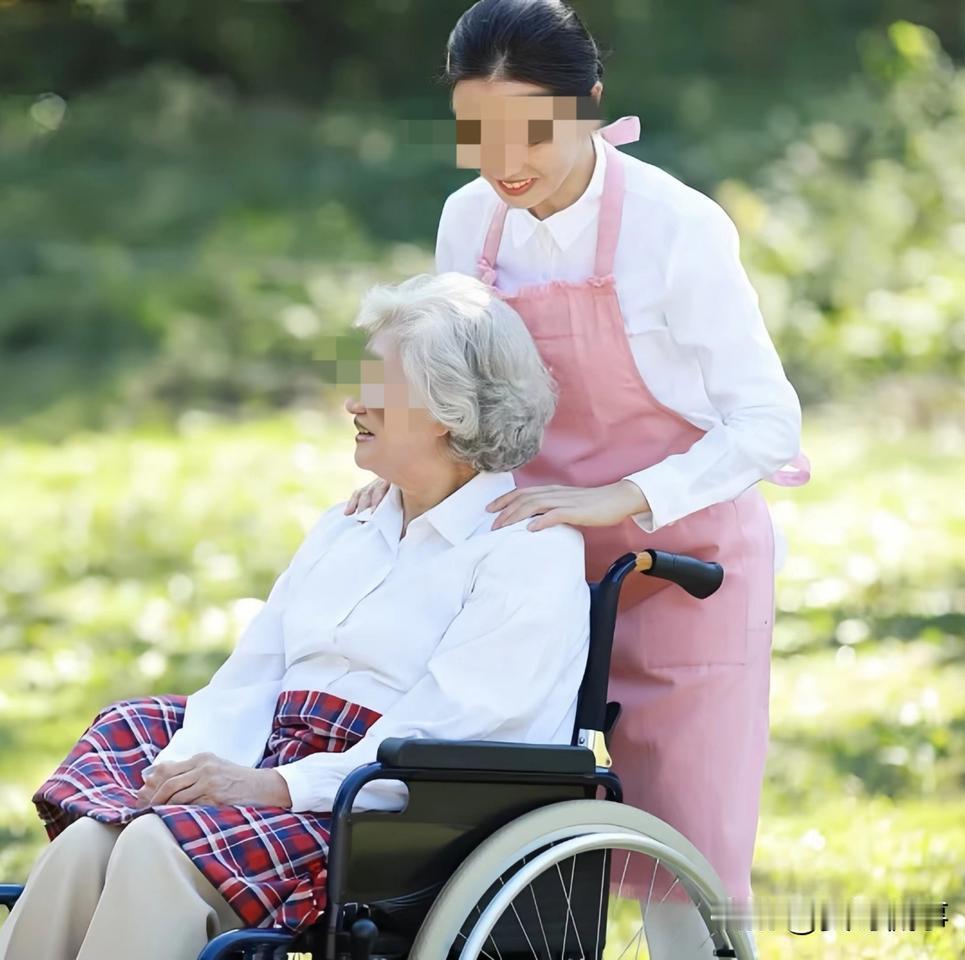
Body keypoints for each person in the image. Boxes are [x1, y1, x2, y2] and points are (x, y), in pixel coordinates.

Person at [347, 1, 811, 955]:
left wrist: (623, 500)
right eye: (478, 132)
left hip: (688, 566)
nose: (502, 161)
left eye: (531, 132)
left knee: (690, 847)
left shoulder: (677, 228)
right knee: (501, 820)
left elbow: (768, 422)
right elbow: (450, 392)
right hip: (526, 567)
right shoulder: (468, 221)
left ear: (591, 106)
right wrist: (401, 480)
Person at [0, 271, 593, 960]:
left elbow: (451, 730)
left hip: (386, 816)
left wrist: (273, 787)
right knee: (99, 837)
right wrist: (186, 773)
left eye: (379, 388)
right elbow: (254, 673)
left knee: (156, 849)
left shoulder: (526, 552)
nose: (353, 403)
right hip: (279, 766)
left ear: (451, 411)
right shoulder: (348, 527)